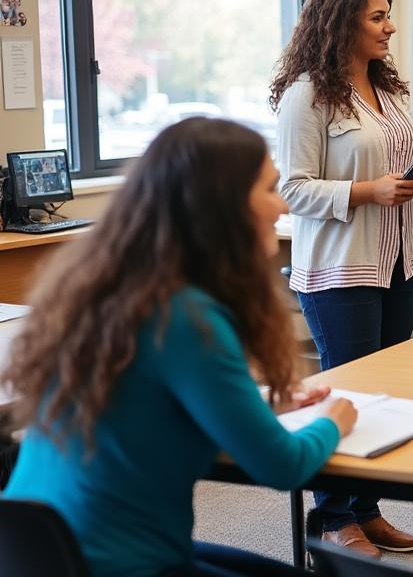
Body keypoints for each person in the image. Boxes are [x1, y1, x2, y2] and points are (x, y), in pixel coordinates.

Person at [1, 118, 357, 577]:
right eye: (269, 188)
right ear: (220, 205)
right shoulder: (187, 317)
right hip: (117, 564)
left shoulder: (112, 292)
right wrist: (333, 422)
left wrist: (262, 408)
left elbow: (146, 419)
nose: (281, 203)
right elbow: (282, 467)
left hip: (41, 553)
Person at [270, 0, 413, 556]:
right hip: (339, 270)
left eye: (388, 15)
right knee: (346, 393)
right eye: (377, 17)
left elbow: (394, 167)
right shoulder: (306, 96)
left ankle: (365, 510)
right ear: (341, 23)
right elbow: (292, 190)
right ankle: (331, 517)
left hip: (398, 262)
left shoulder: (389, 90)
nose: (390, 27)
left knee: (384, 395)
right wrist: (370, 191)